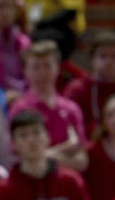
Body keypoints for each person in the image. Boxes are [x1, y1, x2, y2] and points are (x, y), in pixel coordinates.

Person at [9, 40, 89, 171]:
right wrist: (63, 150)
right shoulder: (19, 109)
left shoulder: (71, 109)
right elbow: (20, 159)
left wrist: (42, 155)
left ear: (57, 68)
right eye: (36, 67)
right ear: (26, 71)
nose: (42, 72)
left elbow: (82, 161)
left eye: (47, 66)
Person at [63, 31, 115, 137]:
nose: (109, 62)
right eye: (103, 56)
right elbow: (67, 124)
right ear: (92, 59)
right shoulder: (76, 90)